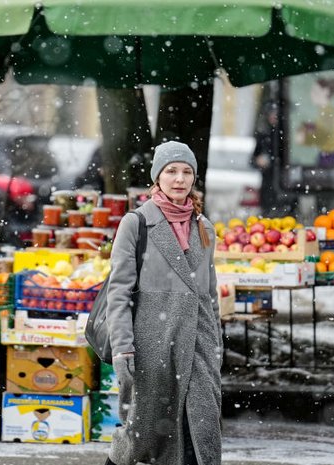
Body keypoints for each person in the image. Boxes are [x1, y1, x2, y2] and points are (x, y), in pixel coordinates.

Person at [105, 141, 222, 465]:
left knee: (201, 429)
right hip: (152, 342)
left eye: (187, 172)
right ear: (158, 177)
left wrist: (215, 347)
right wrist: (123, 347)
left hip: (198, 345)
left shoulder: (204, 227)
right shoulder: (137, 223)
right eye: (171, 171)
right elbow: (119, 292)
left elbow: (209, 293)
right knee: (140, 432)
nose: (179, 179)